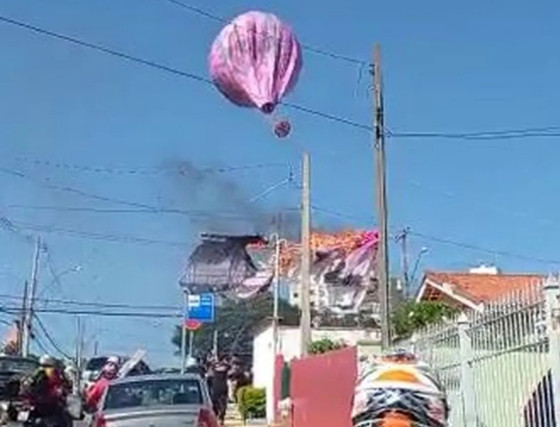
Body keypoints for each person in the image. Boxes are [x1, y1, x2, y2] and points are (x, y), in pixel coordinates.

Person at [21, 355, 71, 424]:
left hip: (37, 403)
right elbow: (62, 384)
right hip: (50, 403)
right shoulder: (54, 372)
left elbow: (26, 385)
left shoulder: (36, 372)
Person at [207, 356, 229, 426]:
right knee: (222, 405)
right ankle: (220, 418)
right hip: (221, 389)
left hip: (216, 389)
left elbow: (208, 380)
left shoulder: (213, 370)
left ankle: (219, 418)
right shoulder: (225, 369)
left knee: (216, 404)